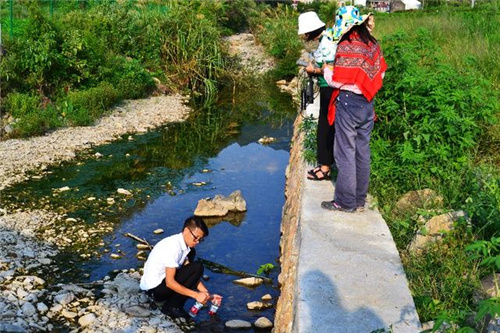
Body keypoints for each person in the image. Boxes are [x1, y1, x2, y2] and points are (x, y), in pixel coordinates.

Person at [321, 6, 387, 213]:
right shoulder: (373, 45)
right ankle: (359, 200)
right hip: (367, 103)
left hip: (348, 104)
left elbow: (338, 81)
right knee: (362, 152)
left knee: (345, 153)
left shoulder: (346, 45)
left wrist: (325, 71)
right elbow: (380, 76)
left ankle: (345, 202)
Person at [140, 216, 220, 318]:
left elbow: (190, 275)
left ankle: (173, 303)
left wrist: (206, 294)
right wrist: (196, 295)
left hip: (161, 284)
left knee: (194, 263)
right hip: (154, 290)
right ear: (186, 230)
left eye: (200, 239)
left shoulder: (186, 247)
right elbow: (170, 282)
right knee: (198, 266)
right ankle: (172, 307)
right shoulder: (173, 247)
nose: (197, 242)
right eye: (195, 238)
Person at [297, 11, 338, 181]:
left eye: (306, 33)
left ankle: (325, 168)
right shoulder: (327, 38)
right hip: (329, 88)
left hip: (329, 88)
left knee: (325, 127)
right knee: (328, 126)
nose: (305, 36)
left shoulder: (327, 42)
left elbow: (330, 69)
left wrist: (313, 70)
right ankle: (327, 165)